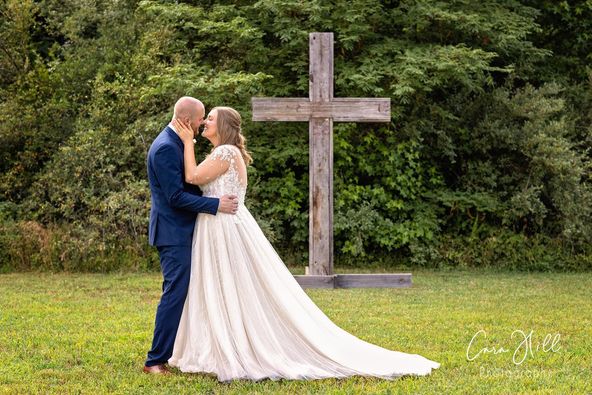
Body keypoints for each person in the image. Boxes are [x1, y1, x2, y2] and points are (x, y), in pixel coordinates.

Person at [168, 106, 440, 381]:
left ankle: (235, 345)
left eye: (210, 118)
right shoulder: (224, 153)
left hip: (223, 228)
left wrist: (186, 141)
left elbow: (192, 177)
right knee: (223, 285)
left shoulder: (225, 152)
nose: (205, 122)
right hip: (219, 225)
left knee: (229, 284)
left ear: (223, 125)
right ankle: (217, 343)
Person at [144, 97, 239, 374]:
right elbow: (175, 197)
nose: (201, 125)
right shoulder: (165, 148)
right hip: (173, 232)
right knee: (175, 292)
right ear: (187, 120)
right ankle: (154, 360)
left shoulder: (176, 143)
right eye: (200, 119)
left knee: (186, 290)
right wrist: (215, 204)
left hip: (187, 230)